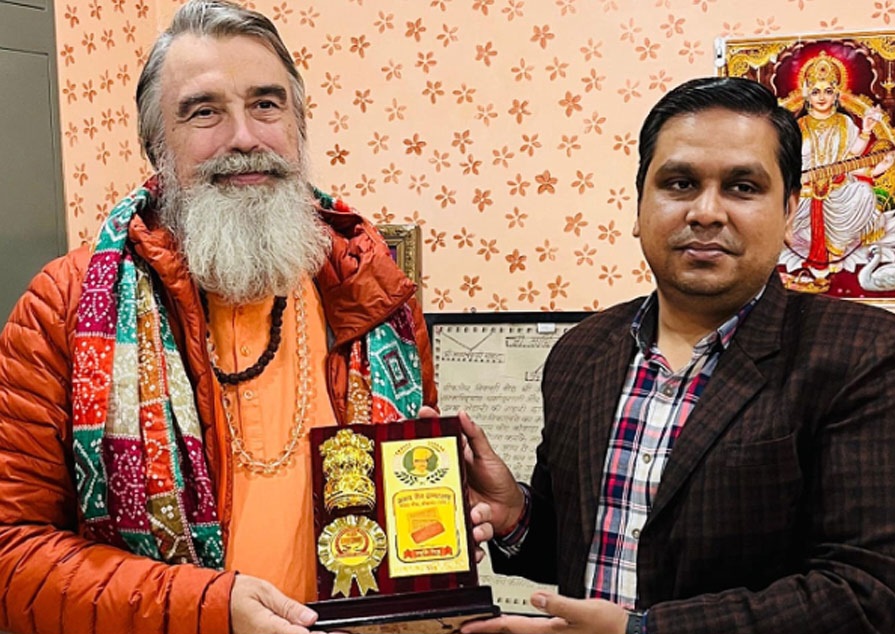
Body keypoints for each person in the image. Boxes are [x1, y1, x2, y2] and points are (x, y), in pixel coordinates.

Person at [0, 2, 450, 633]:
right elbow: (12, 553)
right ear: (157, 146)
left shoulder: (372, 298)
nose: (244, 137)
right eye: (204, 111)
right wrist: (207, 609)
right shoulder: (64, 306)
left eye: (266, 104)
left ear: (298, 125)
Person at [452, 77, 895, 634]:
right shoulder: (582, 351)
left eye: (742, 187)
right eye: (680, 184)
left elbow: (868, 593)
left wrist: (641, 632)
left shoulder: (864, 354)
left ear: (789, 212)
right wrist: (514, 514)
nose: (706, 212)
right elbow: (579, 551)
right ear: (640, 206)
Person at [779, 52, 895, 289]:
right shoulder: (798, 126)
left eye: (828, 91)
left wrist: (867, 130)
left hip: (838, 187)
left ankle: (837, 247)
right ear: (807, 95)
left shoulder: (844, 122)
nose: (822, 97)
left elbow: (852, 155)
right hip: (805, 191)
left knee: (863, 193)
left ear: (836, 94)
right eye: (816, 91)